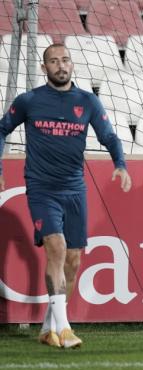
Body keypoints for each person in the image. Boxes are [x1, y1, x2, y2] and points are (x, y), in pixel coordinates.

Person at [0, 44, 131, 348]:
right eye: (54, 61)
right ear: (44, 67)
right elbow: (2, 128)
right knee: (56, 248)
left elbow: (109, 136)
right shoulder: (29, 100)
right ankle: (66, 327)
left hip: (74, 190)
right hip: (41, 188)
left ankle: (49, 328)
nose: (61, 65)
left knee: (73, 260)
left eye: (65, 60)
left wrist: (120, 165)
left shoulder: (87, 101)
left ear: (72, 65)